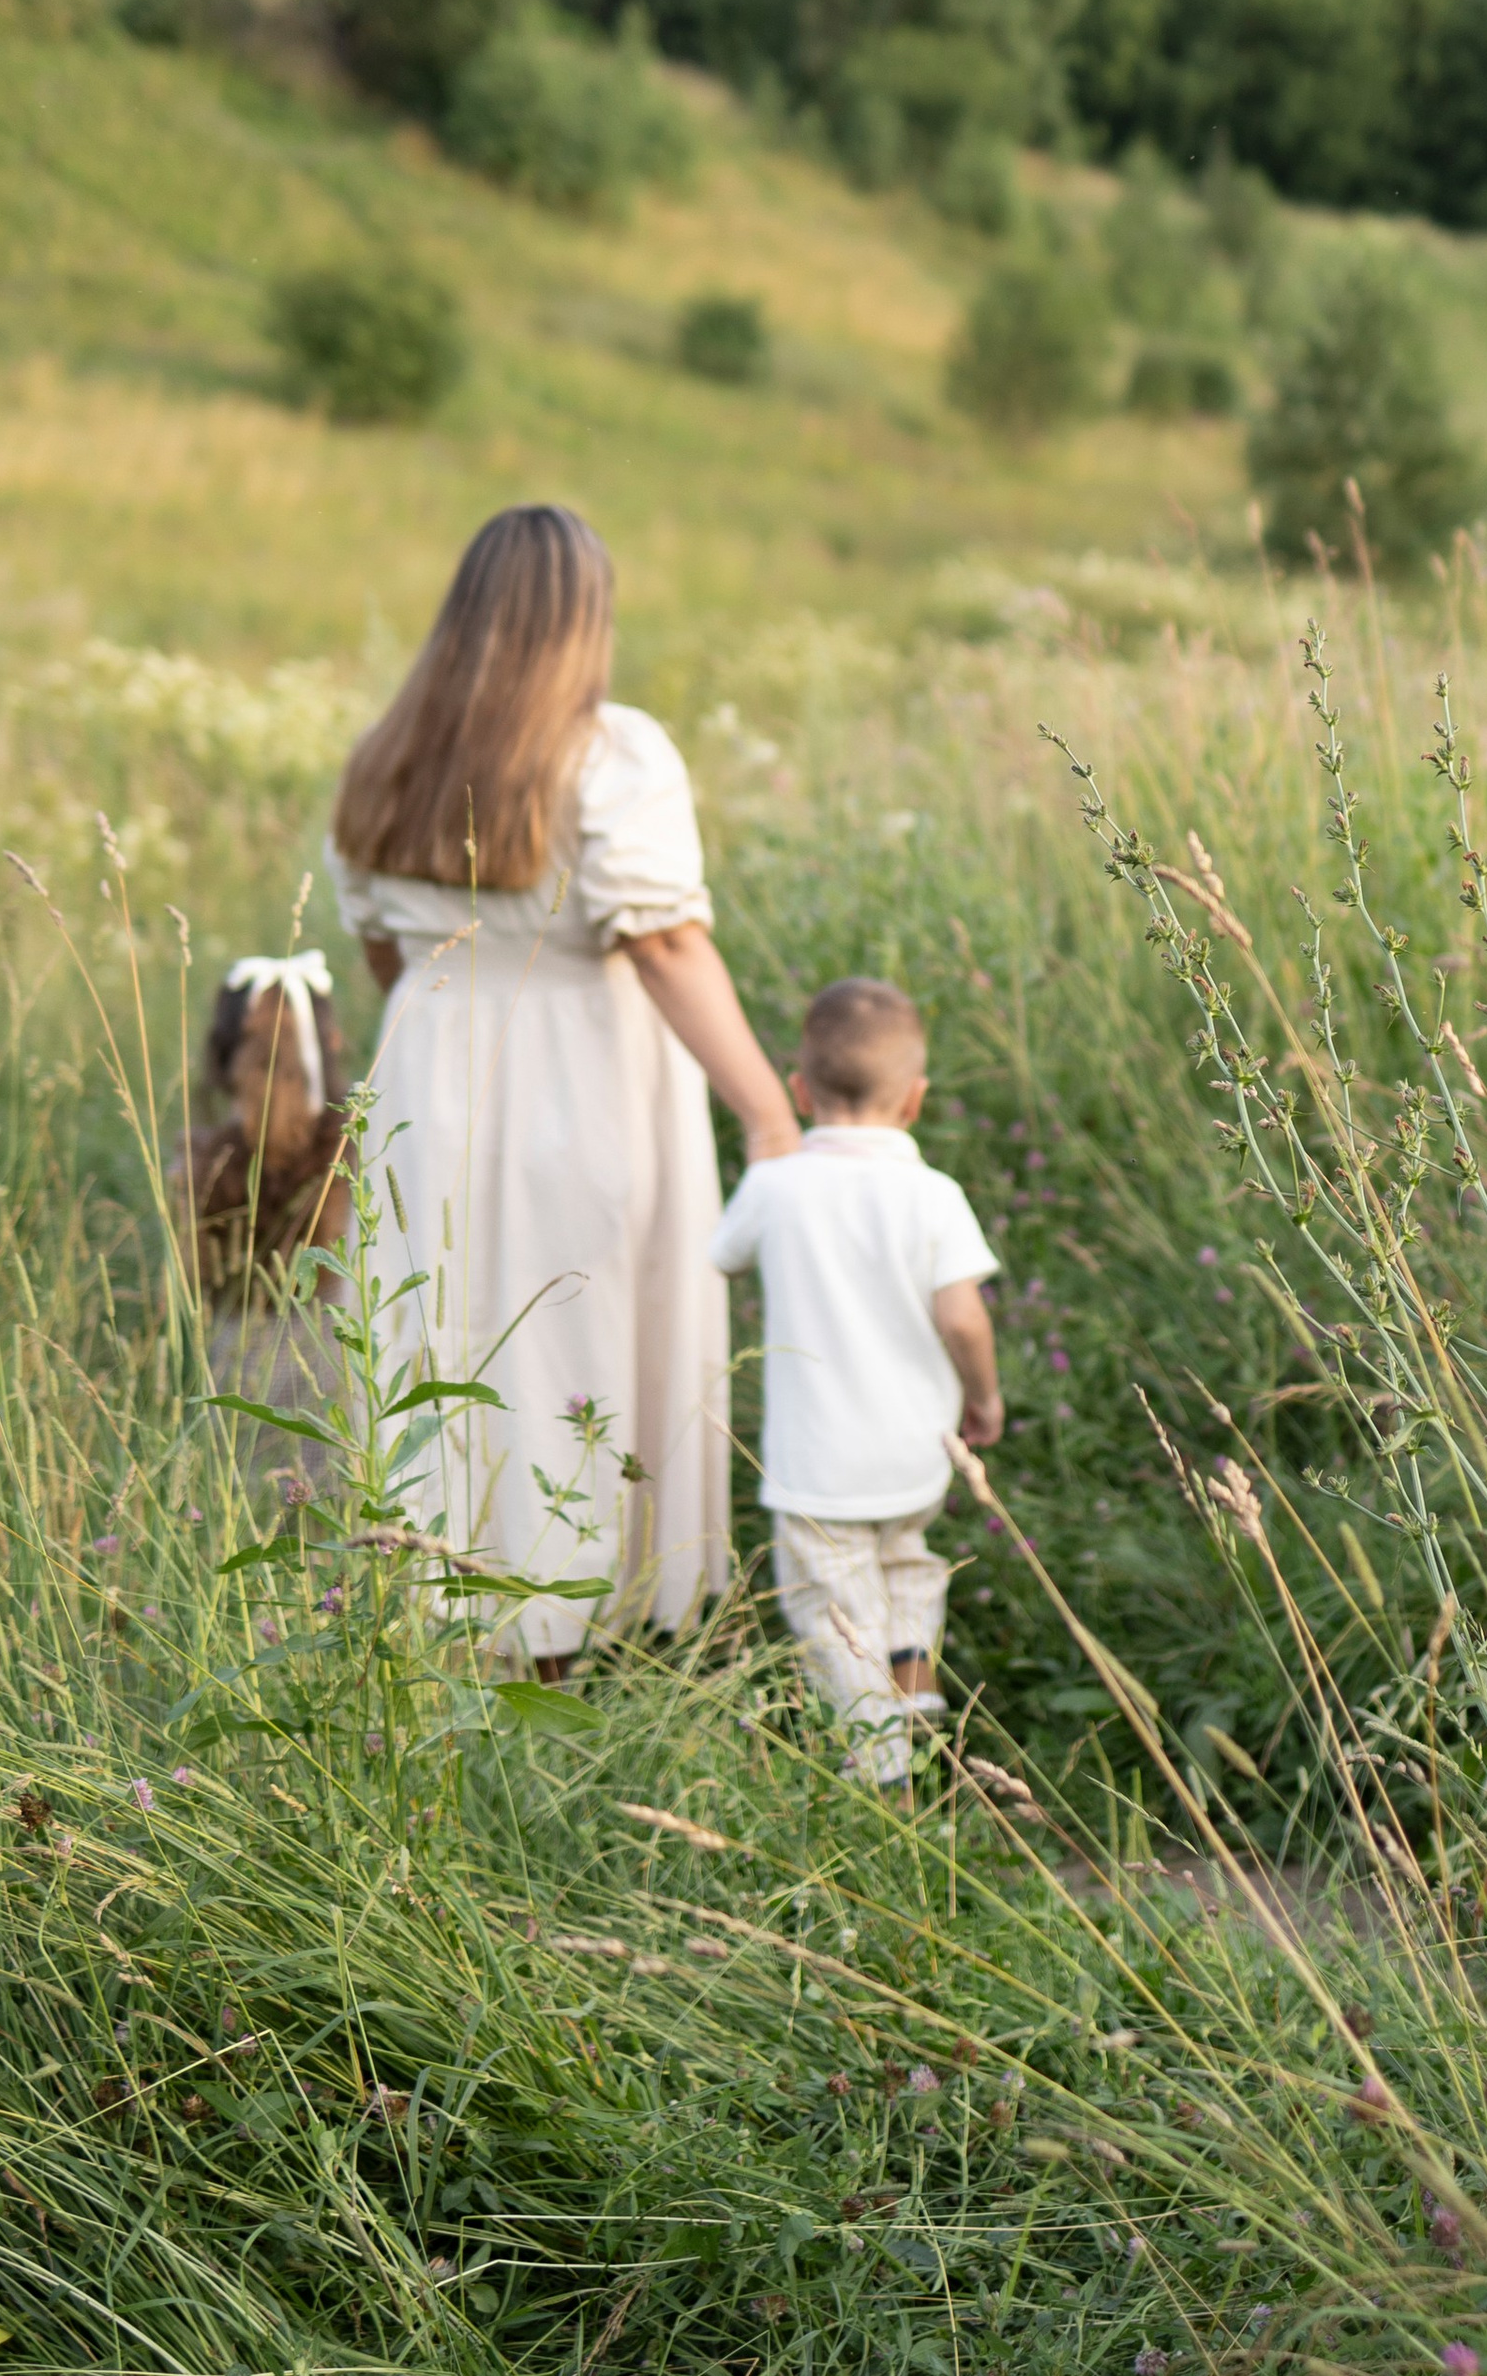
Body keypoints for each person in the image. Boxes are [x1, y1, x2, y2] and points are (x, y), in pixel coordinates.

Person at [325, 504, 797, 1670]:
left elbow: (379, 948)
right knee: (577, 1336)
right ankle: (571, 1630)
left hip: (427, 1067)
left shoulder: (391, 753)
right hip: (584, 1068)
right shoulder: (610, 755)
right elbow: (666, 945)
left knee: (449, 1334)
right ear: (584, 619)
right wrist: (769, 1115)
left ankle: (454, 1611)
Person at [709, 976, 1001, 1779]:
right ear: (916, 1099)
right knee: (905, 1560)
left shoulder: (775, 1186)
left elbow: (723, 1258)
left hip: (816, 1466)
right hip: (915, 1455)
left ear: (799, 1090)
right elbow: (965, 1319)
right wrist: (983, 1397)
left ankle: (887, 1786)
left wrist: (760, 1167)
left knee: (834, 1613)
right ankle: (916, 1703)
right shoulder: (934, 1194)